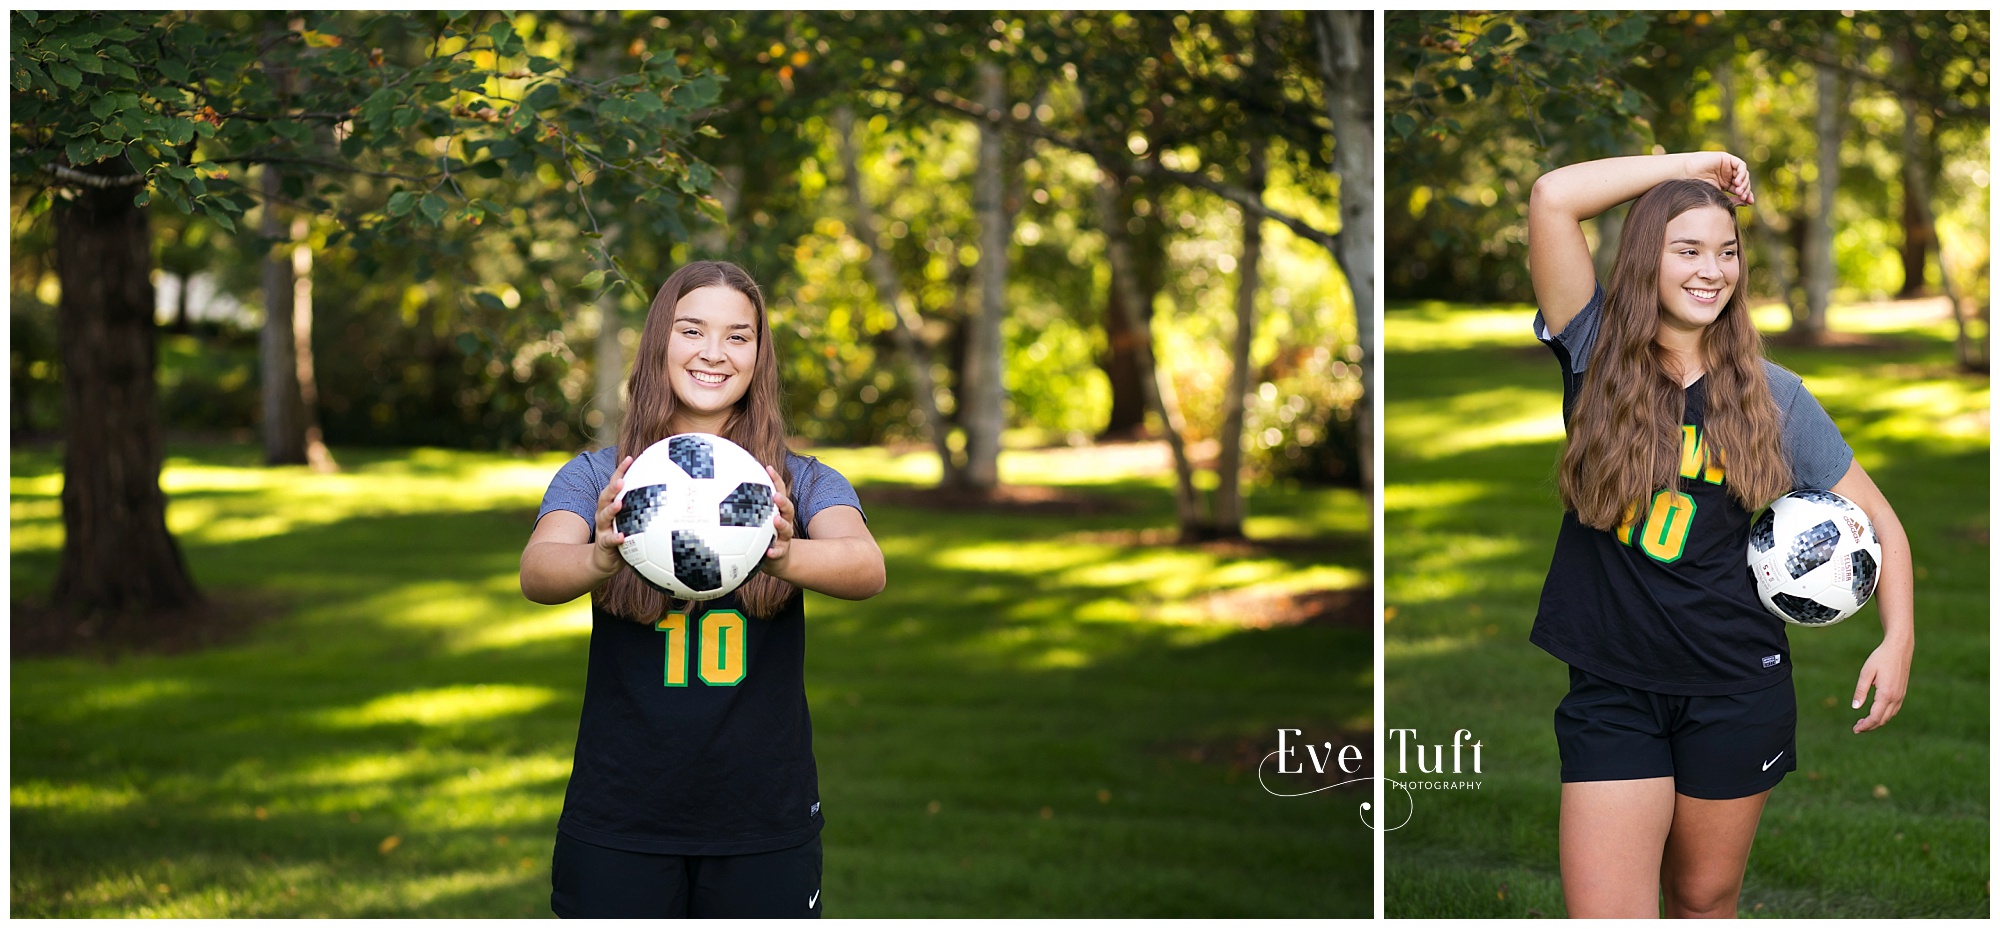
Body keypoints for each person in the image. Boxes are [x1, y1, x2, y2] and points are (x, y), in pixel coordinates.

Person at [1524, 152, 1913, 918]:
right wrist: (1693, 165)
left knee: (1704, 898)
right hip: (1616, 681)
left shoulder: (1773, 395)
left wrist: (1897, 637)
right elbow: (1552, 197)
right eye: (1689, 249)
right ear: (1647, 258)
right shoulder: (1594, 346)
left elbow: (1882, 524)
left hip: (1738, 684)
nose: (1714, 270)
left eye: (1727, 252)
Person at [519, 259, 886, 918]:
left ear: (759, 354)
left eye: (738, 335)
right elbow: (539, 570)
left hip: (762, 815)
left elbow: (865, 566)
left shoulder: (798, 481)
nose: (713, 352)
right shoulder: (604, 475)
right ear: (661, 339)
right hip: (621, 811)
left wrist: (780, 552)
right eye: (692, 330)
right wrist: (600, 556)